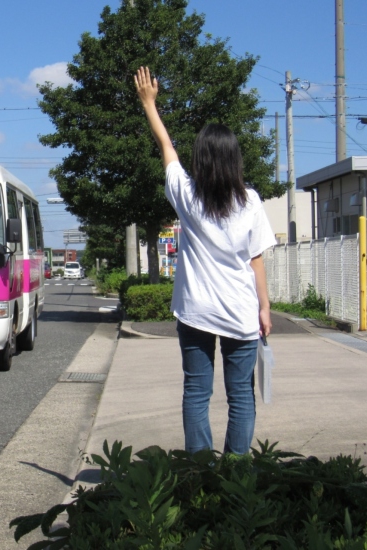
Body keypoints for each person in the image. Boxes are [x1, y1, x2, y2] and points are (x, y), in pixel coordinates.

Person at [134, 66, 276, 455]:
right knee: (241, 398)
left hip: (195, 310)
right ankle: (236, 473)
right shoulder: (250, 202)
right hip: (240, 312)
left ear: (201, 159)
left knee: (197, 393)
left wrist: (150, 104)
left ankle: (200, 476)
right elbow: (256, 261)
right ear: (234, 160)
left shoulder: (188, 197)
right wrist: (265, 308)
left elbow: (167, 149)